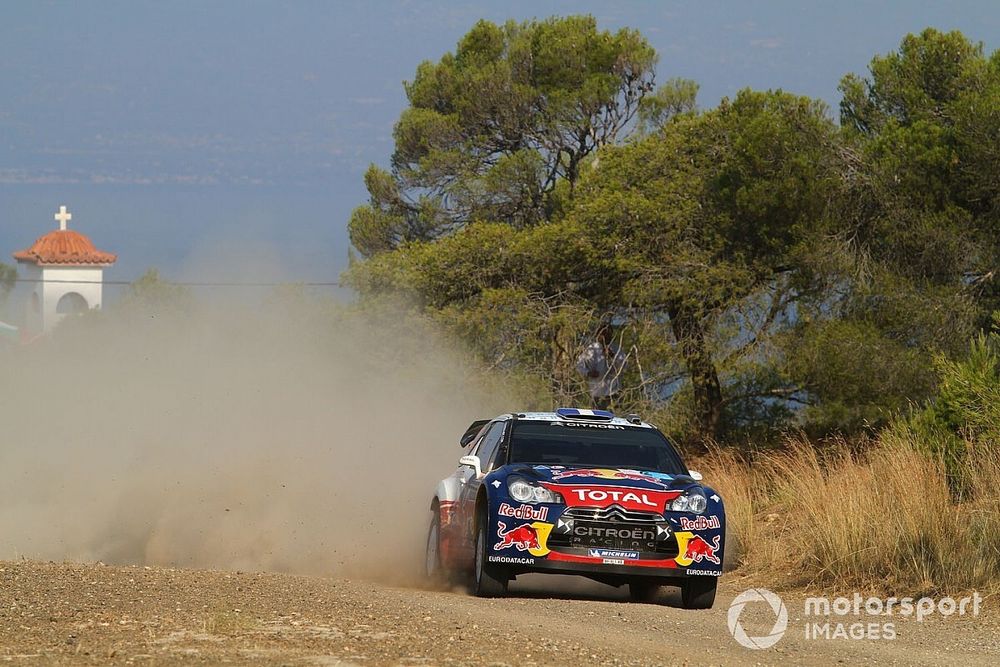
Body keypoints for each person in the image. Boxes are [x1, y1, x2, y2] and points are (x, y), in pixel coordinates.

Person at [575, 326, 626, 410]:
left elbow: (623, 366)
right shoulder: (592, 349)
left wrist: (612, 357)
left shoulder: (616, 348)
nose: (604, 337)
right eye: (602, 334)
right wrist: (588, 373)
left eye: (607, 335)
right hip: (597, 393)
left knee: (615, 416)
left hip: (613, 392)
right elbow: (579, 365)